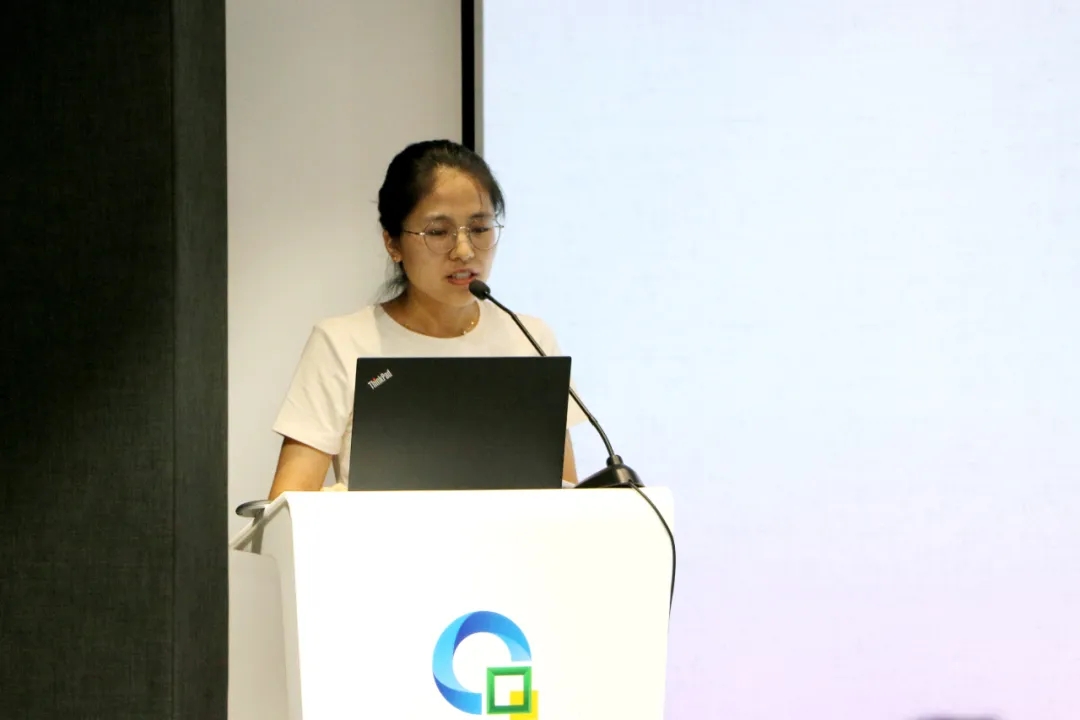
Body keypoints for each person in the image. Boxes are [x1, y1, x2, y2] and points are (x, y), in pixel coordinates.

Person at [267, 139, 587, 500]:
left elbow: (565, 498)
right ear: (393, 243)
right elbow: (287, 504)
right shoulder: (342, 343)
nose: (464, 251)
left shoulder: (529, 338)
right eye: (438, 232)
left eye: (480, 229)